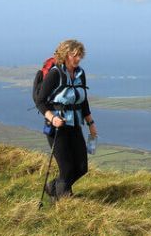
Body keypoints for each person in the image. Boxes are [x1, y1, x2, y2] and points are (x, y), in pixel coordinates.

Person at [35, 39, 97, 199]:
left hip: (75, 125)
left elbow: (83, 100)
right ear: (65, 55)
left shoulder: (80, 74)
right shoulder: (55, 74)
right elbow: (40, 101)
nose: (77, 59)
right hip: (56, 127)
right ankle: (65, 204)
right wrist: (52, 117)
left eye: (80, 56)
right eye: (74, 55)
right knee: (67, 168)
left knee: (82, 167)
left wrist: (91, 124)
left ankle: (53, 187)